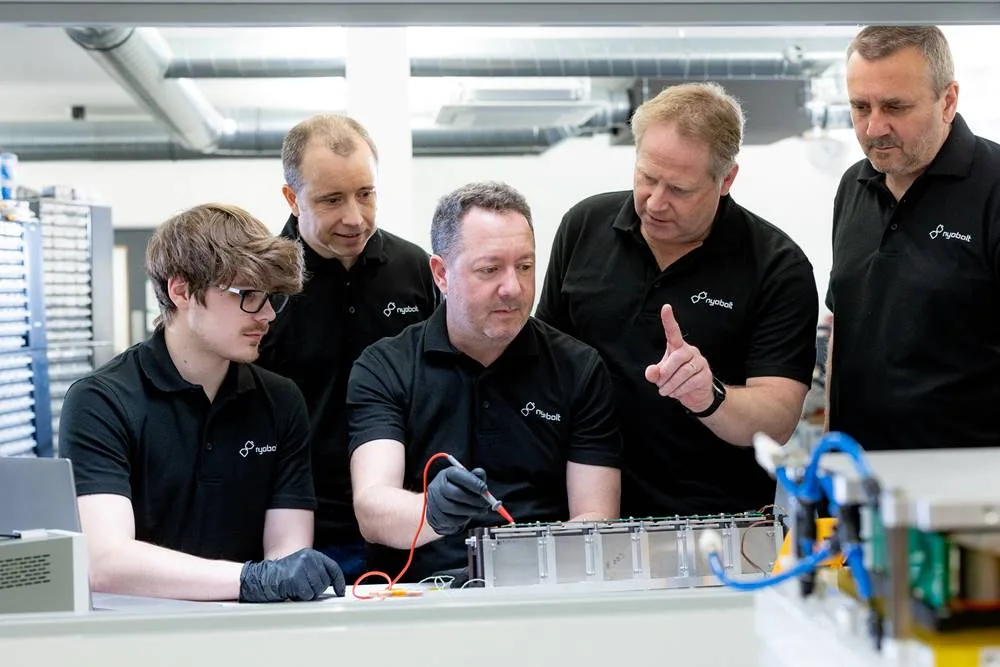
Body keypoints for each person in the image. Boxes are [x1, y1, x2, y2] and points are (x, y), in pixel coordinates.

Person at [536, 82, 819, 518]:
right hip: (581, 509)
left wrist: (709, 395)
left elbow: (777, 420)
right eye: (647, 177)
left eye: (680, 189)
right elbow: (544, 366)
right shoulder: (583, 228)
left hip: (712, 520)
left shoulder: (777, 267)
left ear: (726, 179)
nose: (655, 202)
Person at [60, 203, 345, 602]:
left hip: (249, 624)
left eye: (270, 297)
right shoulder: (100, 402)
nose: (267, 314)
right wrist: (251, 580)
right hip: (135, 627)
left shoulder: (281, 401)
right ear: (180, 291)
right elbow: (106, 561)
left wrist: (271, 581)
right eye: (248, 295)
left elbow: (287, 553)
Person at [347, 181, 622, 582]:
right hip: (419, 595)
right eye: (490, 270)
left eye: (525, 266)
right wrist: (433, 512)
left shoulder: (578, 367)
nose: (513, 288)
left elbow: (596, 517)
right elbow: (372, 510)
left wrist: (519, 570)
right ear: (441, 274)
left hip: (540, 589)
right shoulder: (385, 367)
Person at [257, 114, 439, 583]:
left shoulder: (414, 269)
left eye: (366, 193)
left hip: (410, 522)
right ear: (292, 199)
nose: (355, 218)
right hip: (305, 529)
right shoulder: (263, 284)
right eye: (332, 199)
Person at [826, 26, 1000, 450]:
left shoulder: (993, 186)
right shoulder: (853, 186)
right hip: (859, 468)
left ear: (948, 101)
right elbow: (842, 325)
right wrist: (830, 443)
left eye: (895, 106)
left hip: (968, 475)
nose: (874, 128)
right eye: (860, 106)